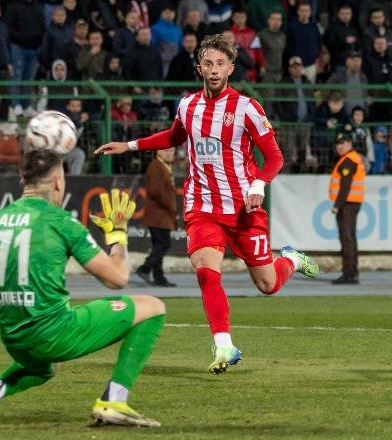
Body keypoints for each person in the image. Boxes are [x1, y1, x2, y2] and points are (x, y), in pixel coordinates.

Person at [94, 34, 320, 375]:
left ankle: (290, 258)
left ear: (231, 67)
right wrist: (129, 145)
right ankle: (224, 345)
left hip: (244, 207)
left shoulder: (247, 108)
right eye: (208, 64)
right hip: (202, 206)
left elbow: (274, 156)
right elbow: (174, 136)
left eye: (220, 64)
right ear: (198, 67)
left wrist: (258, 183)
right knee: (206, 271)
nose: (214, 70)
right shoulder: (188, 106)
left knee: (268, 285)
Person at [0, 150, 165, 428]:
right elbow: (117, 278)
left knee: (45, 367)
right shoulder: (61, 222)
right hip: (53, 334)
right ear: (57, 180)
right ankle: (114, 400)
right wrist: (117, 234)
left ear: (23, 180)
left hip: (14, 340)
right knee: (153, 307)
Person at [137, 147, 178, 287]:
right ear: (159, 152)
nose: (170, 153)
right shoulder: (156, 167)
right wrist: (170, 205)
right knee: (164, 244)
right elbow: (155, 190)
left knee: (158, 245)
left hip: (160, 215)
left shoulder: (163, 166)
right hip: (158, 214)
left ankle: (159, 277)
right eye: (166, 151)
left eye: (172, 151)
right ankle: (144, 268)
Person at [329, 134, 365, 285]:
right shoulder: (352, 158)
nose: (339, 146)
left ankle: (349, 273)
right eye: (337, 143)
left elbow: (345, 186)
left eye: (342, 143)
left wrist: (337, 205)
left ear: (350, 143)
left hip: (347, 205)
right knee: (350, 237)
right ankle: (352, 272)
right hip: (352, 203)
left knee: (347, 238)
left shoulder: (348, 161)